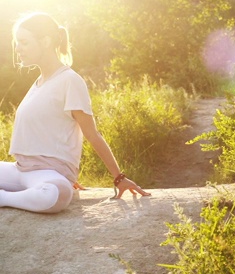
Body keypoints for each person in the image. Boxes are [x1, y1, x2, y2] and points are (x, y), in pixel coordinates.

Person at [0, 12, 150, 213]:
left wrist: (118, 177)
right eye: (16, 42)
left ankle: (5, 197)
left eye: (24, 42)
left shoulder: (70, 81)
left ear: (45, 41)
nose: (17, 49)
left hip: (47, 174)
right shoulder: (38, 83)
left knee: (55, 194)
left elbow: (92, 134)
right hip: (19, 170)